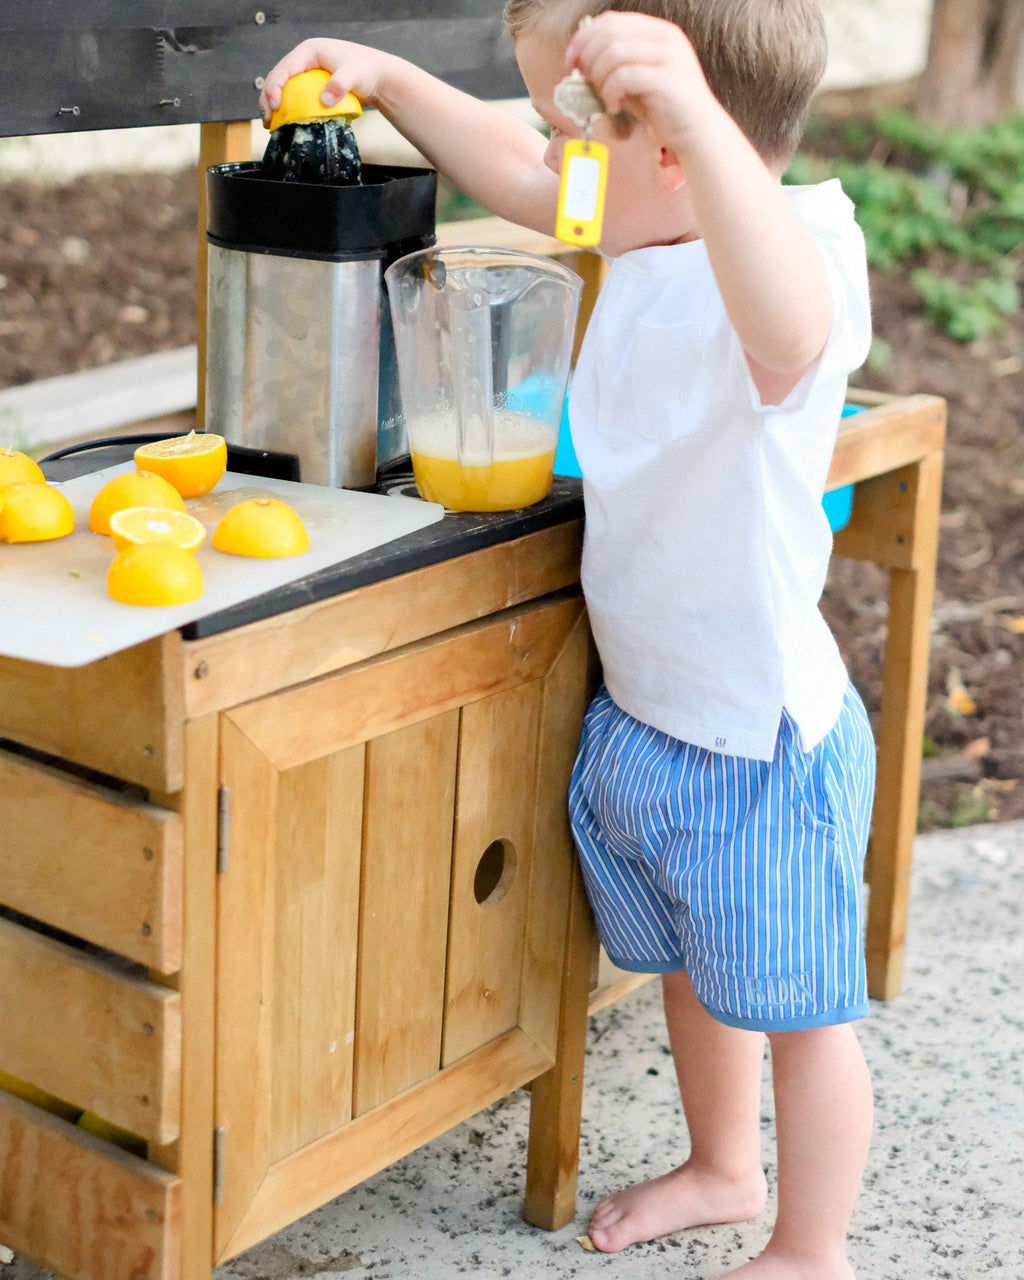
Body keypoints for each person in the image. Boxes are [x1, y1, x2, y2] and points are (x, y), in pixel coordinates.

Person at [260, 2, 875, 1276]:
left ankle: (813, 1245)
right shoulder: (652, 215)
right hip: (654, 714)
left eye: (571, 128)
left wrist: (699, 125)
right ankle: (723, 1164)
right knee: (698, 977)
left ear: (666, 148)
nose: (550, 160)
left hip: (759, 746)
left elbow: (788, 334)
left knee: (804, 1015)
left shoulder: (792, 252)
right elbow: (518, 175)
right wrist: (383, 77)